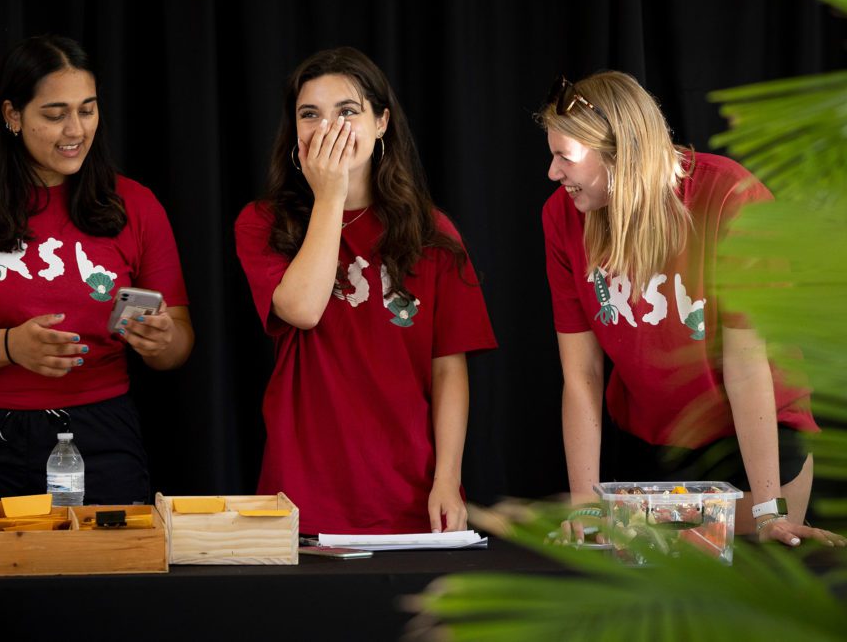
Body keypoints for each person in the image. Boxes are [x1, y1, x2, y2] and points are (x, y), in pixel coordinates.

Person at [538, 70, 845, 547]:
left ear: (620, 154)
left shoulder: (728, 197)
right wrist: (586, 508)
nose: (554, 173)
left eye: (564, 157)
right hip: (653, 434)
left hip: (753, 436)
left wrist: (766, 511)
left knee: (752, 554)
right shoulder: (561, 217)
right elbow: (582, 376)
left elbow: (746, 363)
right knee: (642, 570)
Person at [0, 35, 193, 504]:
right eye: (54, 114)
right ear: (12, 115)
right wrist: (10, 346)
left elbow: (178, 347)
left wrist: (163, 342)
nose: (75, 130)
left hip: (99, 434)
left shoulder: (137, 204)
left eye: (87, 110)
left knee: (106, 572)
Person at [235, 47, 497, 535]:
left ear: (382, 123)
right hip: (303, 493)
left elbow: (448, 371)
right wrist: (331, 195)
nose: (328, 128)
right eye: (309, 114)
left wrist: (448, 480)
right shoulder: (263, 223)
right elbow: (302, 309)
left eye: (348, 112)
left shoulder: (433, 233)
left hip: (410, 495)